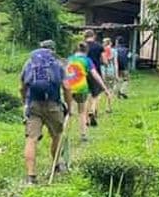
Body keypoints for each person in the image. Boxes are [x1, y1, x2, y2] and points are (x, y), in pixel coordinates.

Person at [20, 39, 72, 185]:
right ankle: (56, 165)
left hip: (33, 105)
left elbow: (22, 87)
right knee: (57, 135)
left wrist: (25, 102)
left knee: (31, 139)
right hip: (53, 105)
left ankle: (31, 176)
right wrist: (69, 107)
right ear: (53, 50)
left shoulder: (30, 62)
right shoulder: (58, 63)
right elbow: (67, 87)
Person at [65, 42, 109, 142]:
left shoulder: (70, 59)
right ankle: (83, 134)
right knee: (82, 112)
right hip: (82, 88)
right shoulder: (87, 60)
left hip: (69, 87)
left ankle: (65, 134)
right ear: (86, 51)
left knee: (69, 111)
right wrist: (104, 88)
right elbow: (95, 74)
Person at [84, 29, 111, 126]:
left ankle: (86, 119)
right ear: (94, 36)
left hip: (83, 72)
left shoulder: (81, 46)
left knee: (86, 95)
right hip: (96, 72)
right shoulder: (99, 46)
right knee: (95, 94)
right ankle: (92, 110)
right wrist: (105, 63)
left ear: (84, 36)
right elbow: (104, 61)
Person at [101, 37, 116, 112]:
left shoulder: (101, 51)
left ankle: (94, 108)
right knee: (111, 89)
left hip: (102, 71)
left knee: (103, 89)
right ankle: (108, 107)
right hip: (111, 71)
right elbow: (115, 63)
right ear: (110, 43)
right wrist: (116, 74)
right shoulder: (113, 51)